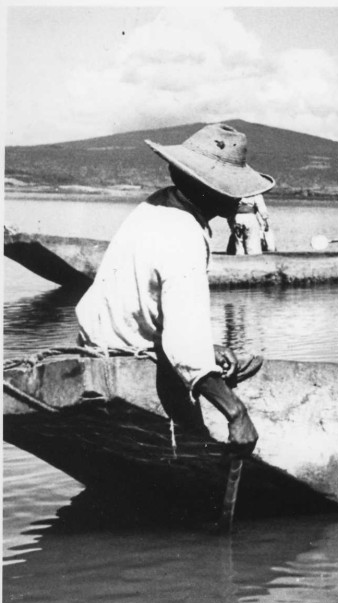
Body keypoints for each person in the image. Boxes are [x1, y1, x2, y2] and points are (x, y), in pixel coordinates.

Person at [75, 123, 274, 453]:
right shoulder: (183, 238)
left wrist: (206, 347)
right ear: (209, 189)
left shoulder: (159, 204)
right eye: (232, 187)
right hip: (125, 362)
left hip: (97, 344)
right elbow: (183, 346)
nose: (240, 197)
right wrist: (236, 413)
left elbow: (149, 307)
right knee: (201, 444)